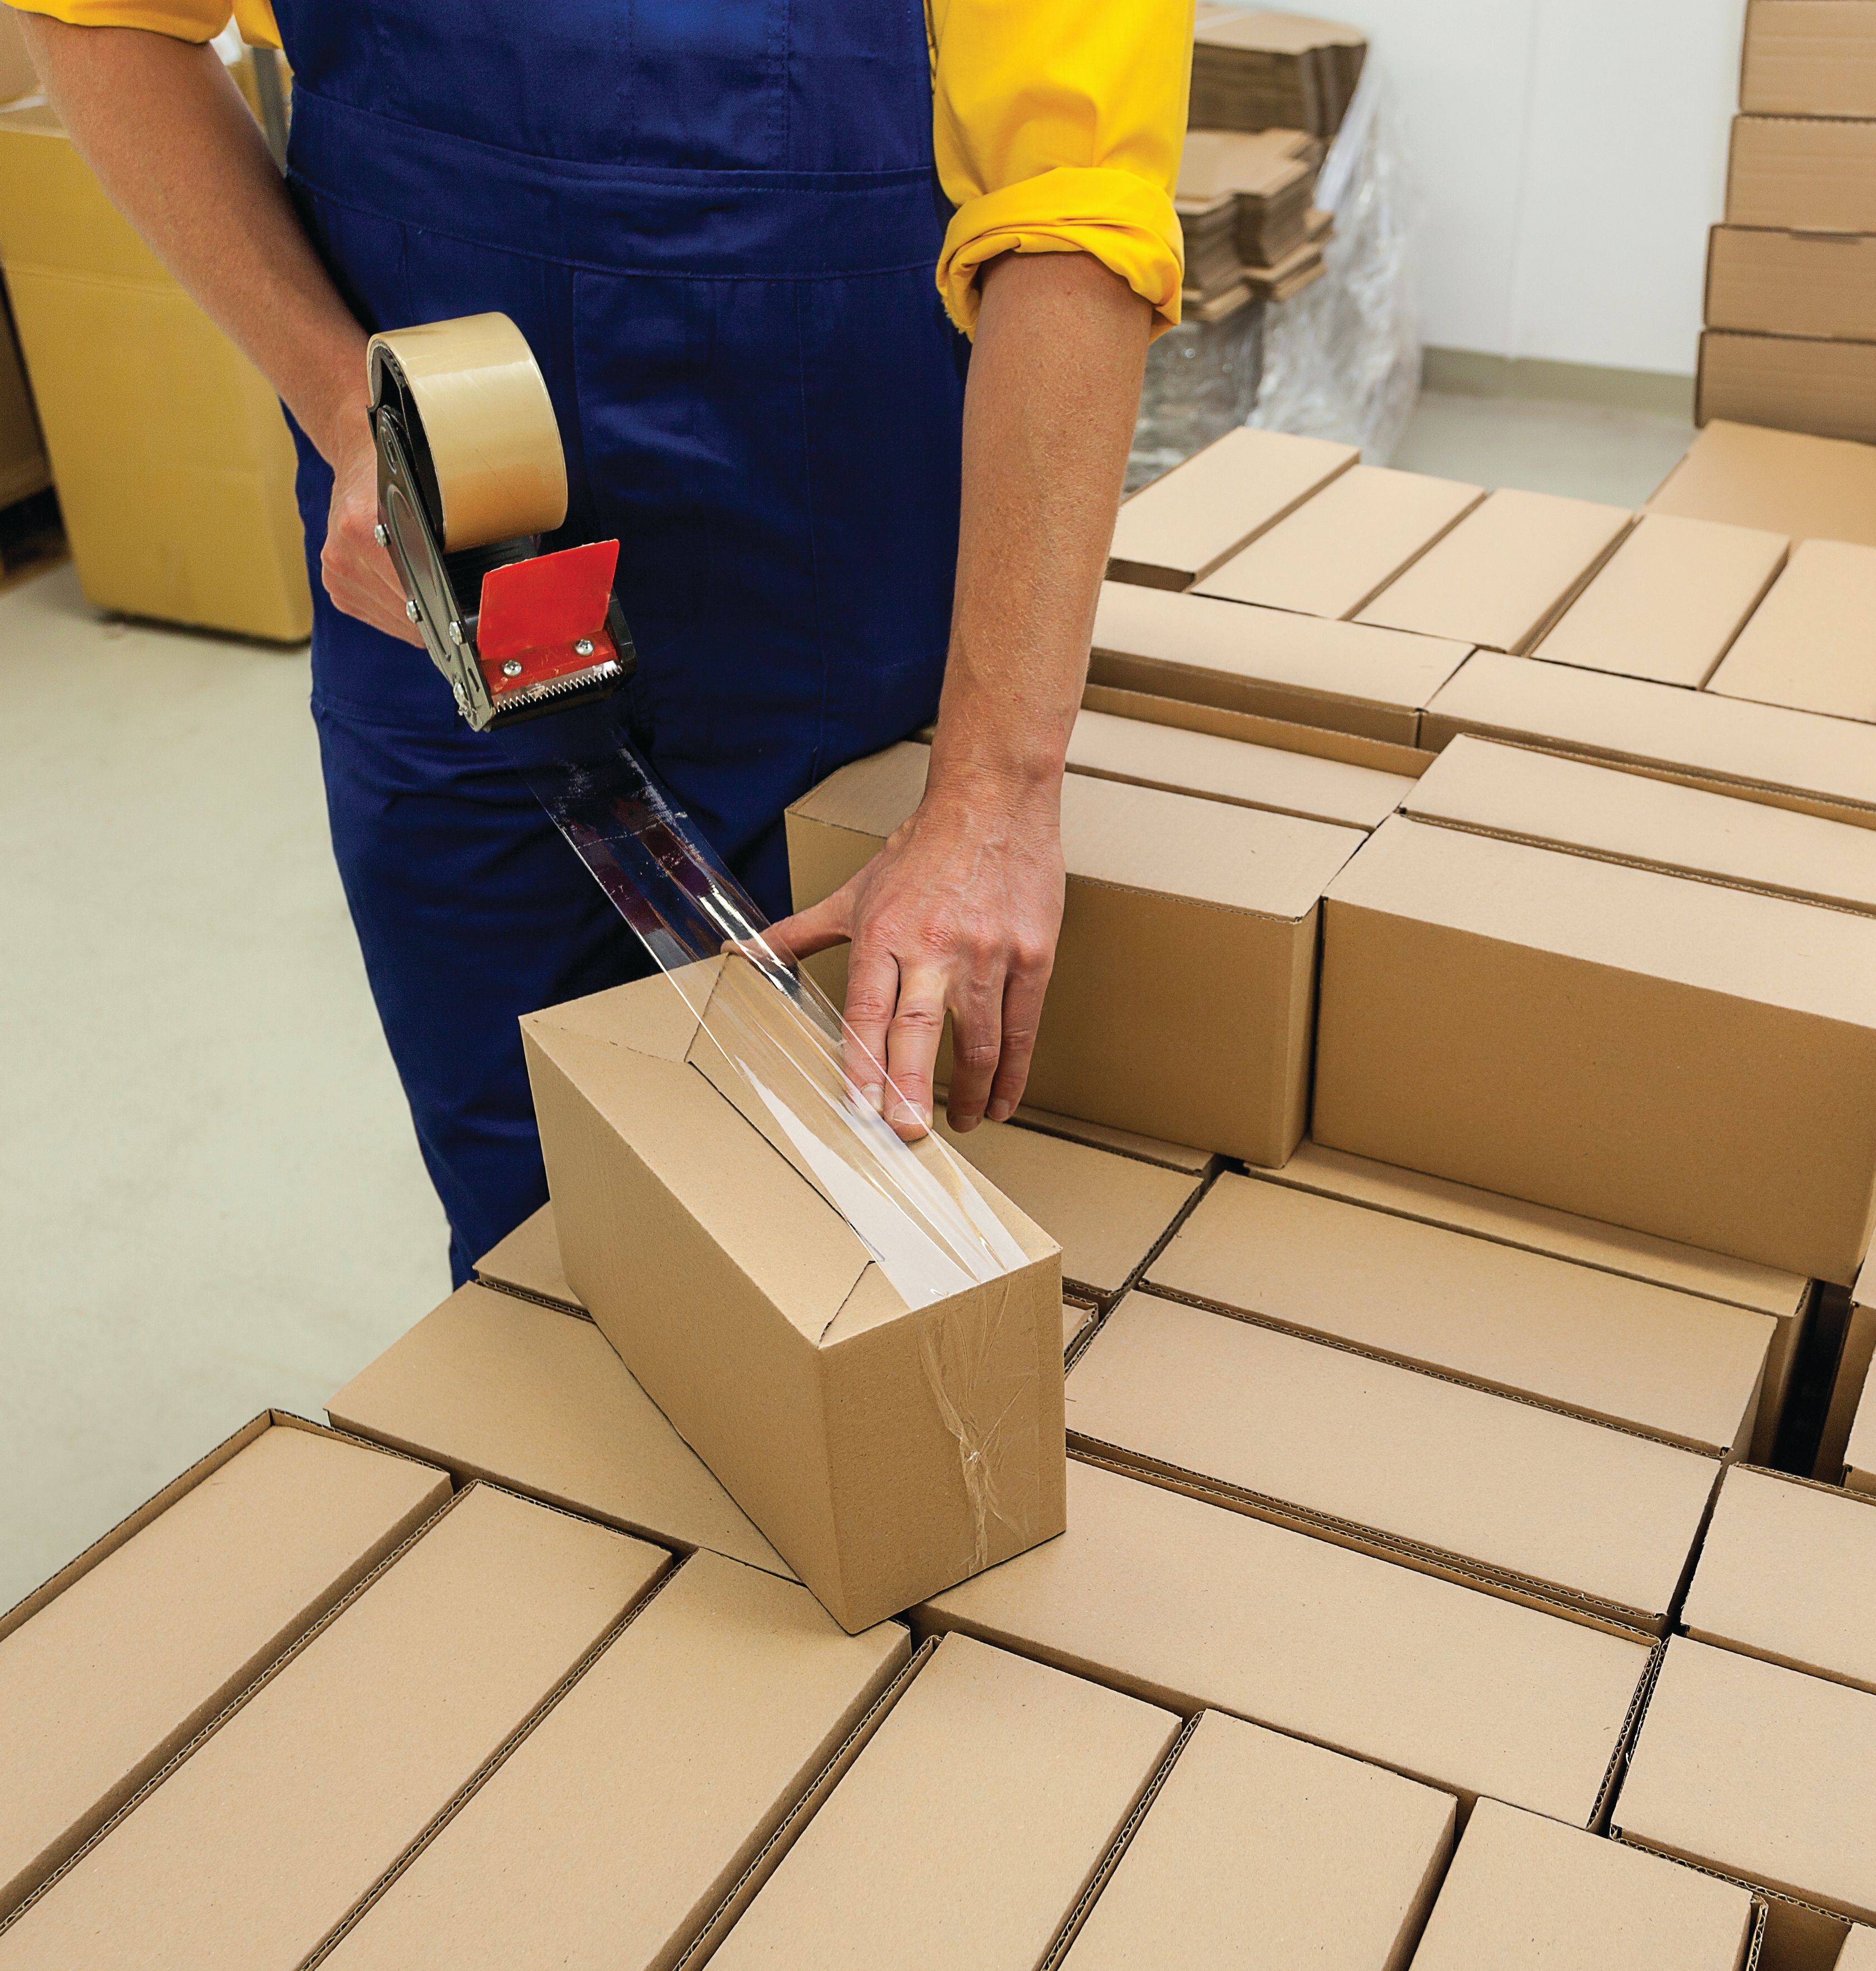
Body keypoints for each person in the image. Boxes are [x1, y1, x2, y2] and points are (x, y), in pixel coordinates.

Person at [13, 0, 1190, 1283]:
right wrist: (353, 411)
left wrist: (992, 792)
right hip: (449, 589)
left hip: (837, 563)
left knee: (872, 1214)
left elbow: (1071, 215)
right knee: (524, 1187)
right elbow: (101, 20)